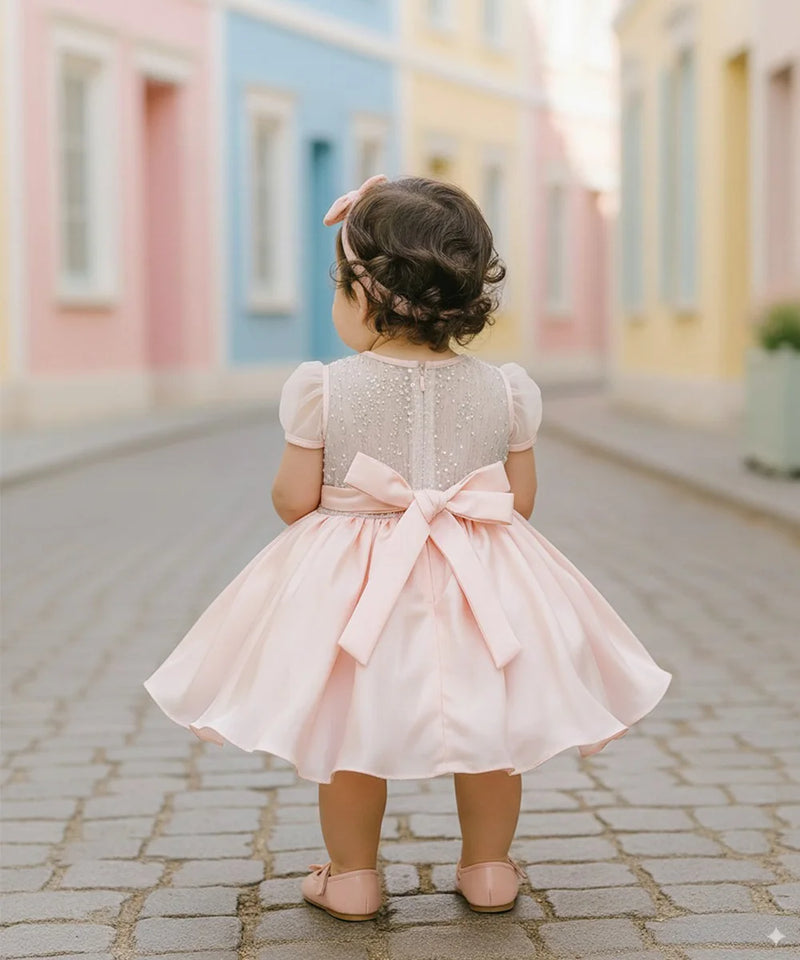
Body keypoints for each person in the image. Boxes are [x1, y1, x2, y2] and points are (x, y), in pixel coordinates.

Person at [143, 174, 672, 922]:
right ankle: (488, 869)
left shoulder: (322, 389)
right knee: (490, 724)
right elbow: (516, 503)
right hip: (477, 573)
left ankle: (353, 876)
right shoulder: (509, 390)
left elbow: (294, 500)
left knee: (354, 726)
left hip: (360, 586)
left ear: (365, 292)